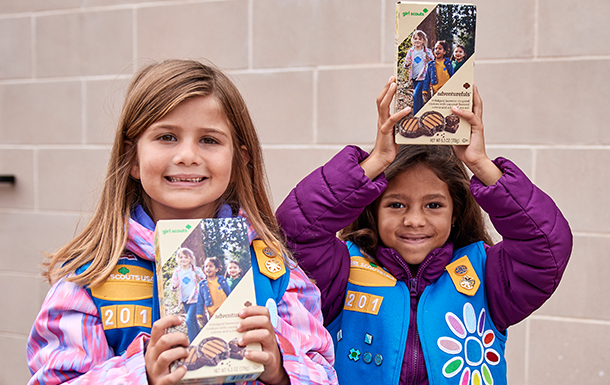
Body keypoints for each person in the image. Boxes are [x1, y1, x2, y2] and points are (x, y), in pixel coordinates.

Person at [27, 59, 337, 385]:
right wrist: (141, 374)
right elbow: (54, 378)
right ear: (132, 158)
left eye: (209, 140)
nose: (187, 155)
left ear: (239, 160)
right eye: (167, 137)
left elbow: (323, 371)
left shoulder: (275, 270)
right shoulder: (90, 274)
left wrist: (280, 370)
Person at [276, 78, 572, 385]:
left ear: (456, 213)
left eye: (433, 205)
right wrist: (374, 162)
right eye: (396, 205)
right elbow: (294, 229)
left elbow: (548, 245)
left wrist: (481, 165)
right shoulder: (341, 272)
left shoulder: (489, 276)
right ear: (373, 210)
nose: (414, 220)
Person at [170, 247, 205, 342]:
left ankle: (193, 343)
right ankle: (200, 339)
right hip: (185, 299)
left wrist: (200, 287)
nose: (183, 259)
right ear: (178, 259)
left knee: (189, 320)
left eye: (186, 257)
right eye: (181, 257)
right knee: (193, 320)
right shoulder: (177, 272)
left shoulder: (195, 270)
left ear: (190, 259)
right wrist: (174, 286)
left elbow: (204, 281)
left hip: (195, 298)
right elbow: (172, 287)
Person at [403, 30, 434, 114]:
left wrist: (429, 65)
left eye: (419, 39)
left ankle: (416, 115)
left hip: (423, 77)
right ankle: (422, 113)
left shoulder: (427, 51)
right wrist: (407, 64)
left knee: (415, 95)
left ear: (423, 41)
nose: (417, 40)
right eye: (415, 38)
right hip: (414, 77)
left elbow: (433, 62)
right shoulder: (411, 51)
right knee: (419, 96)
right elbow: (405, 64)